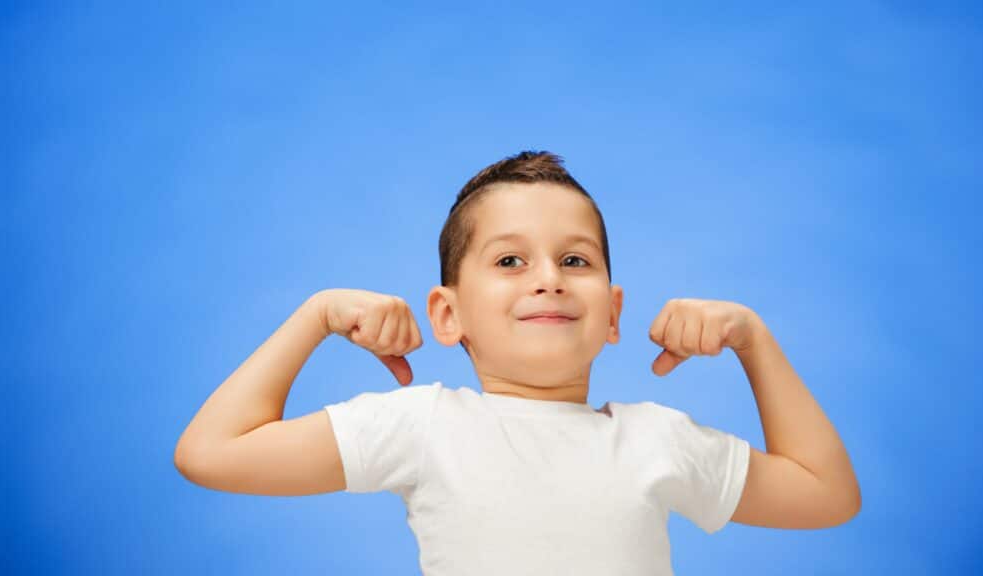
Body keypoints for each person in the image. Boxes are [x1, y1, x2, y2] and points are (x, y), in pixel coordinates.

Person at [174, 150, 861, 575]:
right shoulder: (421, 426)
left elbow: (827, 495)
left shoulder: (657, 438)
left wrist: (752, 338)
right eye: (510, 260)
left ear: (613, 312)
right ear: (449, 315)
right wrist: (316, 315)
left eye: (575, 260)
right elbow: (211, 452)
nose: (549, 279)